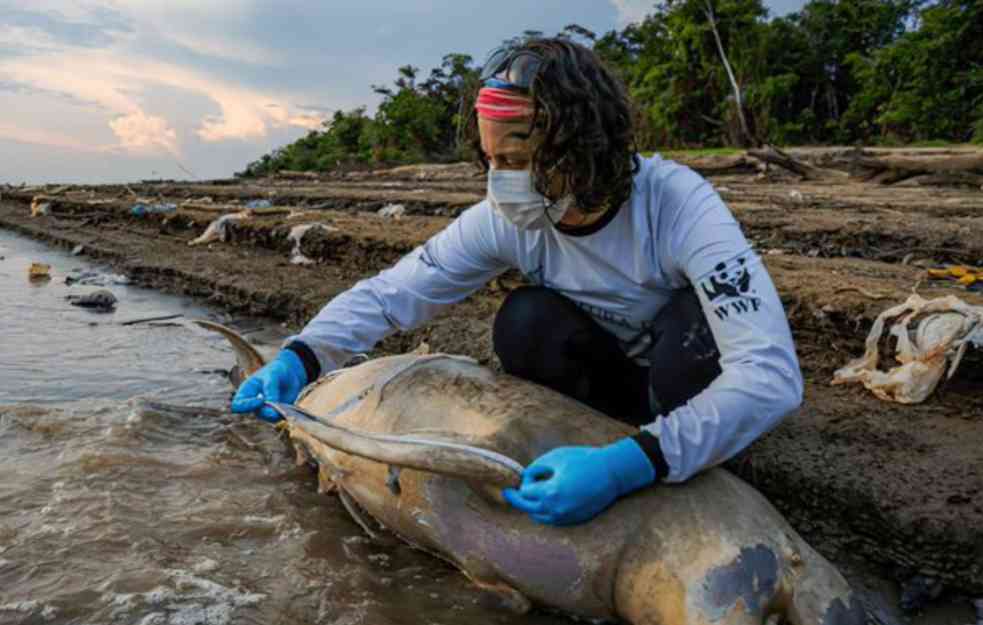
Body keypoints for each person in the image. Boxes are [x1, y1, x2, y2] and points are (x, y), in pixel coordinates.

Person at [231, 38, 803, 527]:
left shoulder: (677, 205)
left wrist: (632, 463)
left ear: (584, 145)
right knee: (524, 319)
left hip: (681, 379)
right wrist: (301, 356)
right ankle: (595, 451)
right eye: (492, 162)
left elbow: (770, 376)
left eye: (521, 157)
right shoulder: (507, 219)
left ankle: (684, 457)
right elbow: (396, 293)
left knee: (693, 326)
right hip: (608, 385)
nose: (506, 182)